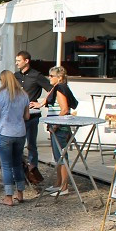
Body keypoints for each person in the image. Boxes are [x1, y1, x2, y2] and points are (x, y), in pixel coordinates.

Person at [32, 66, 79, 197]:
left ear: (59, 77)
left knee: (62, 156)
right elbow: (50, 98)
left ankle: (64, 186)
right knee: (58, 157)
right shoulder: (59, 87)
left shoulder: (60, 89)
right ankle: (59, 184)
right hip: (56, 126)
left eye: (51, 76)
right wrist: (40, 104)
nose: (49, 78)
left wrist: (56, 125)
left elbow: (64, 109)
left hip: (60, 127)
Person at [0, 70, 30, 207]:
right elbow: (27, 117)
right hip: (19, 132)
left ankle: (8, 197)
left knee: (6, 165)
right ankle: (20, 193)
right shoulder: (24, 95)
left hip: (4, 131)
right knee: (17, 163)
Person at [14, 51, 51, 171]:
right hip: (17, 115)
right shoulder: (16, 76)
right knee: (17, 143)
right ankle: (20, 168)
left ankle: (32, 168)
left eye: (19, 60)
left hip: (31, 115)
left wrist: (41, 103)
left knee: (31, 144)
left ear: (26, 61)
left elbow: (52, 89)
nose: (16, 63)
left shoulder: (36, 75)